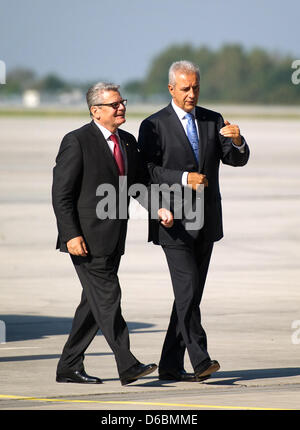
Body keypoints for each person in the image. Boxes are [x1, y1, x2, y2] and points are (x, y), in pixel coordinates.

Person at [52, 82, 173, 385]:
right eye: (114, 104)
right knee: (109, 298)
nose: (121, 108)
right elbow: (61, 194)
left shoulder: (128, 142)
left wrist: (156, 208)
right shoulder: (77, 141)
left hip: (114, 238)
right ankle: (127, 363)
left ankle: (69, 365)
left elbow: (138, 185)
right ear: (96, 111)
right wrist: (71, 235)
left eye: (122, 102)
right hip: (85, 240)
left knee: (93, 305)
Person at [138, 61, 250, 382]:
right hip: (172, 223)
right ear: (171, 88)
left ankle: (170, 366)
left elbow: (235, 158)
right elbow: (146, 171)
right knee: (187, 291)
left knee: (189, 295)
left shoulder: (212, 119)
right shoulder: (154, 125)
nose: (191, 94)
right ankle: (200, 360)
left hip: (208, 221)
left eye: (196, 88)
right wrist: (184, 178)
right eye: (185, 88)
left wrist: (239, 140)